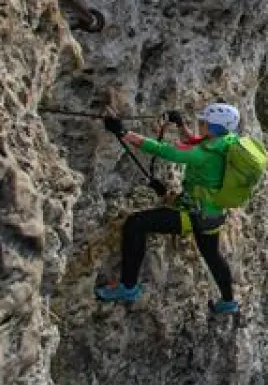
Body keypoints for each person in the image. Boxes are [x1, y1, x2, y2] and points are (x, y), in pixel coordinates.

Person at [95, 103, 243, 314]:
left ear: (212, 128)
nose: (200, 125)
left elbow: (166, 151)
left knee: (135, 224)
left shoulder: (204, 154)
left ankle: (128, 287)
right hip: (213, 212)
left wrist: (123, 132)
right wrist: (181, 125)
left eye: (203, 123)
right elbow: (195, 142)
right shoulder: (225, 141)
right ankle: (228, 303)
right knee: (212, 255)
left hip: (195, 215)